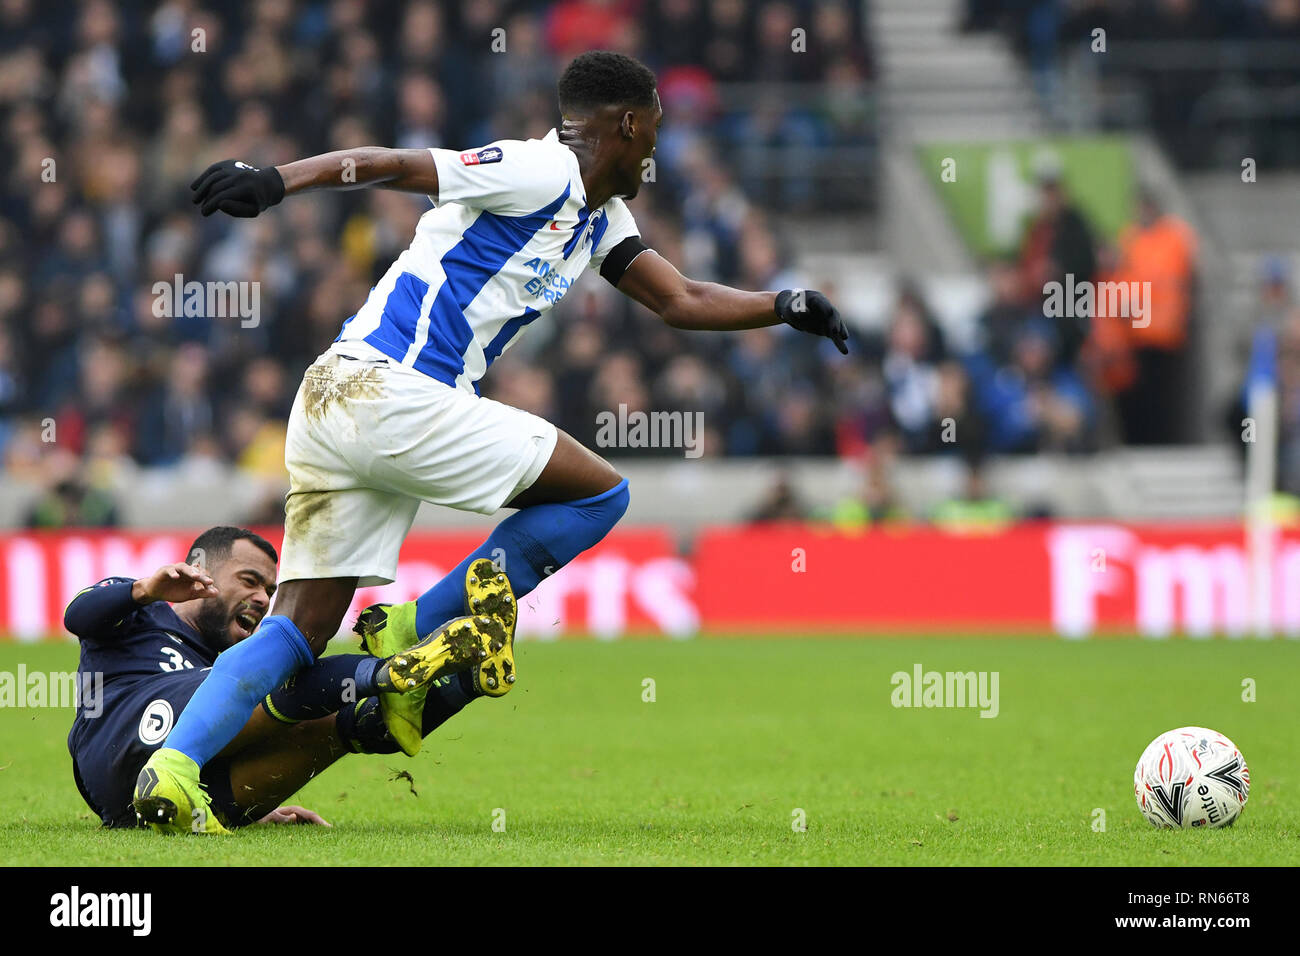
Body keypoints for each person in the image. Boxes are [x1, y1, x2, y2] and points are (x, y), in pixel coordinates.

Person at [134, 51, 848, 833]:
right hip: (392, 389)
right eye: (654, 134)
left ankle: (172, 771)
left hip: (337, 396)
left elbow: (680, 299)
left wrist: (784, 304)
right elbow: (390, 164)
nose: (656, 153)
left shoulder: (601, 219)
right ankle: (409, 626)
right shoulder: (538, 168)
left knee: (298, 629)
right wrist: (276, 180)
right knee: (601, 491)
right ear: (631, 124)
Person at [68, 526, 502, 832]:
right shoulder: (143, 610)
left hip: (150, 806)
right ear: (198, 568)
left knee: (341, 727)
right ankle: (392, 670)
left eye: (270, 591)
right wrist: (146, 589)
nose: (262, 598)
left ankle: (471, 682)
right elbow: (77, 615)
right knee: (272, 676)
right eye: (249, 581)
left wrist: (260, 811)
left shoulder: (224, 669)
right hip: (118, 743)